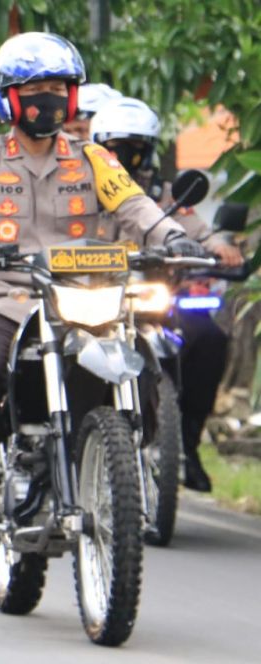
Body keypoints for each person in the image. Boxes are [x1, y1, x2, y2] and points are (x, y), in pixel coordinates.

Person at [0, 32, 202, 543]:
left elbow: (135, 206)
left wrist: (175, 236)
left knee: (138, 362)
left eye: (57, 88)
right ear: (9, 99)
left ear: (73, 97)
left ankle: (114, 462)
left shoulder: (95, 159)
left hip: (83, 298)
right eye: (34, 90)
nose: (47, 100)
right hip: (6, 300)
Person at [91, 96, 245, 492]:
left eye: (137, 149)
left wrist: (219, 248)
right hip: (91, 304)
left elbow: (198, 231)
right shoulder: (79, 192)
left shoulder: (162, 195)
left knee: (209, 337)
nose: (126, 158)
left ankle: (186, 444)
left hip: (155, 302)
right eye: (116, 149)